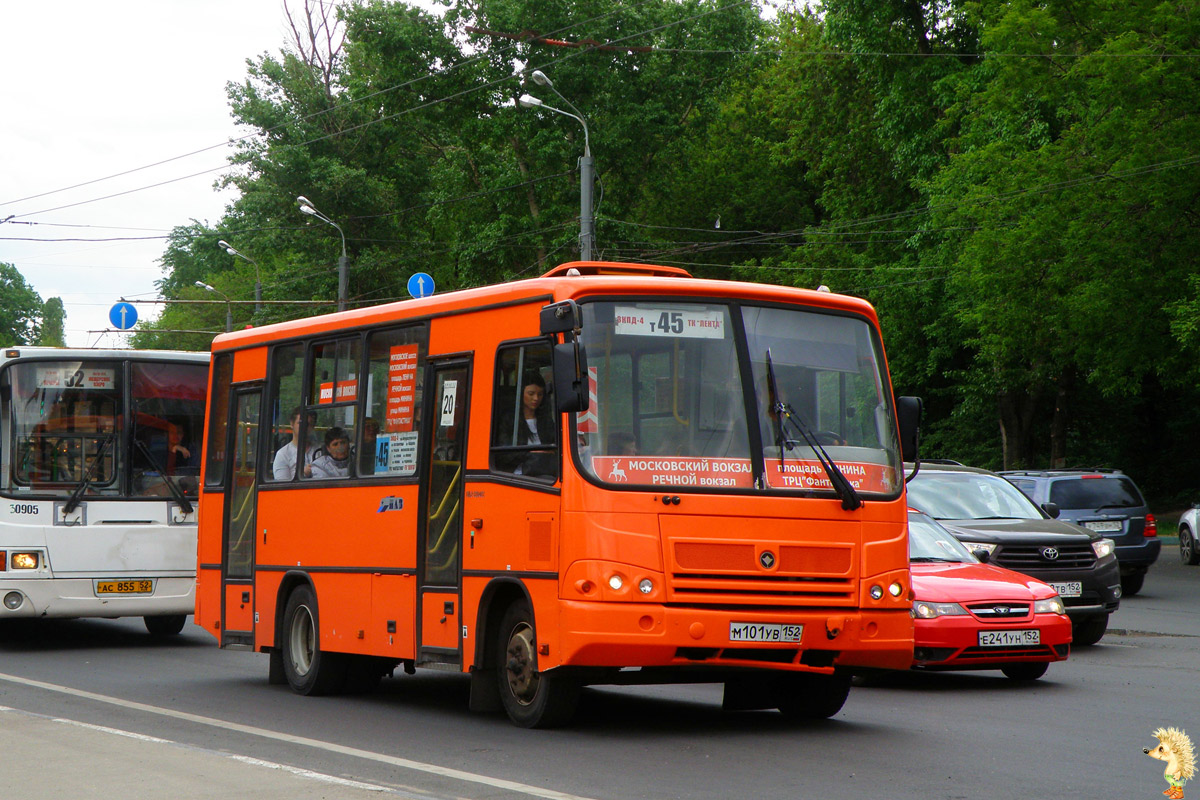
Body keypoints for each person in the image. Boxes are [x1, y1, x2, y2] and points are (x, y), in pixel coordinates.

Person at [272, 407, 317, 480]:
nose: (304, 427)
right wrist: (302, 474)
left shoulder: (319, 450)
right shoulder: (283, 455)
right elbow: (282, 487)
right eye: (300, 423)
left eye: (308, 424)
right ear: (292, 424)